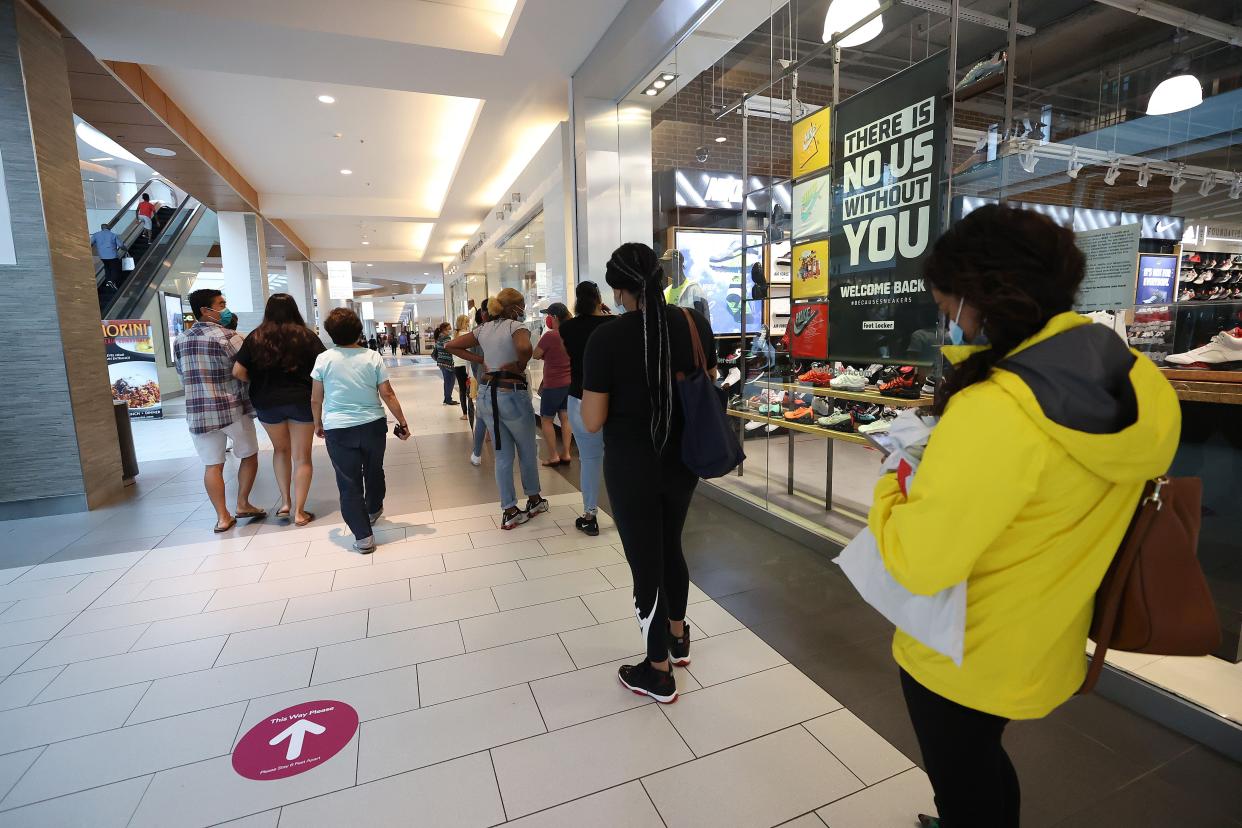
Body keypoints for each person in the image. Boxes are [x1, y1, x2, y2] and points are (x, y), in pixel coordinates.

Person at [868, 205, 1181, 828]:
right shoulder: (1141, 382)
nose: (947, 325)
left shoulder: (996, 411)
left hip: (961, 648)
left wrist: (889, 488)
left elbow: (920, 563)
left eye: (947, 309)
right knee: (983, 764)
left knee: (964, 783)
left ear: (980, 302)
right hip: (1048, 637)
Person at [581, 242, 716, 704]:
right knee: (671, 543)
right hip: (684, 459)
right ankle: (678, 638)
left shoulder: (607, 339)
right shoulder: (693, 324)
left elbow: (594, 420)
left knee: (645, 562)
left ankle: (657, 670)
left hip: (631, 463)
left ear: (618, 289)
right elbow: (708, 380)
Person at [445, 288, 549, 529]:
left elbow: (452, 345)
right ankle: (534, 500)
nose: (524, 310)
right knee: (526, 449)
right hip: (511, 394)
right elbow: (524, 348)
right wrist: (519, 364)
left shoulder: (483, 329)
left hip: (487, 394)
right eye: (522, 305)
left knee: (502, 454)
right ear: (513, 308)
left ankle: (510, 509)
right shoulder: (515, 326)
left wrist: (482, 361)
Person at [311, 307, 411, 553]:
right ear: (358, 332)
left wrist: (317, 423)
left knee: (348, 482)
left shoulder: (324, 359)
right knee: (374, 470)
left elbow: (316, 398)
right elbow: (387, 393)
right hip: (372, 426)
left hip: (339, 429)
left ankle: (363, 537)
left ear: (330, 334)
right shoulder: (372, 357)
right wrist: (403, 422)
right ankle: (374, 508)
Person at [174, 288, 267, 533]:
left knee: (212, 465)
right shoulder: (229, 336)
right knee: (249, 454)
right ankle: (243, 503)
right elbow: (247, 368)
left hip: (198, 412)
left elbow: (181, 374)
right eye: (221, 304)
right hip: (232, 407)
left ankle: (222, 517)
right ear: (205, 310)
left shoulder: (181, 340)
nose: (225, 308)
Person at [233, 293, 325, 527]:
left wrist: (258, 381)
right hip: (301, 401)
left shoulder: (256, 336)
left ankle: (285, 502)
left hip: (267, 402)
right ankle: (300, 512)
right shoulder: (307, 337)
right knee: (302, 457)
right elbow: (323, 368)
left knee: (280, 450)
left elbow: (238, 371)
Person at [558, 281, 615, 535]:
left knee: (590, 460)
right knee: (617, 459)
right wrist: (606, 311)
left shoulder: (567, 328)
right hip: (612, 400)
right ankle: (624, 513)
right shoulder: (611, 324)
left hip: (579, 398)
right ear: (598, 299)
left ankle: (590, 515)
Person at [533, 302, 574, 466]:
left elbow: (536, 354)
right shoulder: (571, 334)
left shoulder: (550, 336)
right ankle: (566, 453)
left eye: (549, 315)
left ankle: (553, 456)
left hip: (553, 384)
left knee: (547, 420)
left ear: (555, 317)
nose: (547, 319)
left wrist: (546, 355)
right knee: (565, 418)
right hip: (569, 383)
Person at [467, 305, 490, 466]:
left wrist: (479, 370)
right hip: (509, 382)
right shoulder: (512, 328)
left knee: (481, 417)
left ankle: (477, 453)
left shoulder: (478, 331)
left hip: (485, 379)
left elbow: (455, 347)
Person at [451, 314, 473, 422]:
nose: (468, 324)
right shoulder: (468, 334)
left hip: (458, 365)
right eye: (466, 322)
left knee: (462, 389)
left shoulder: (454, 335)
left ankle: (465, 413)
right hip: (467, 365)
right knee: (469, 389)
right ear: (462, 323)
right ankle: (470, 411)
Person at [90, 223, 125, 291]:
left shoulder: (96, 235)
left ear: (102, 228)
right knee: (115, 269)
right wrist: (125, 248)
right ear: (108, 228)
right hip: (112, 255)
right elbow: (120, 245)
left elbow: (90, 243)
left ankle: (108, 281)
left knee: (107, 268)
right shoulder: (113, 235)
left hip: (102, 256)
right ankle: (112, 281)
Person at [432, 322, 457, 406]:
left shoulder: (439, 337)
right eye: (449, 328)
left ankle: (447, 398)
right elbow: (448, 347)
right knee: (451, 381)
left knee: (447, 381)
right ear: (444, 329)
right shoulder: (446, 337)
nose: (450, 330)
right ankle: (448, 399)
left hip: (441, 362)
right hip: (447, 362)